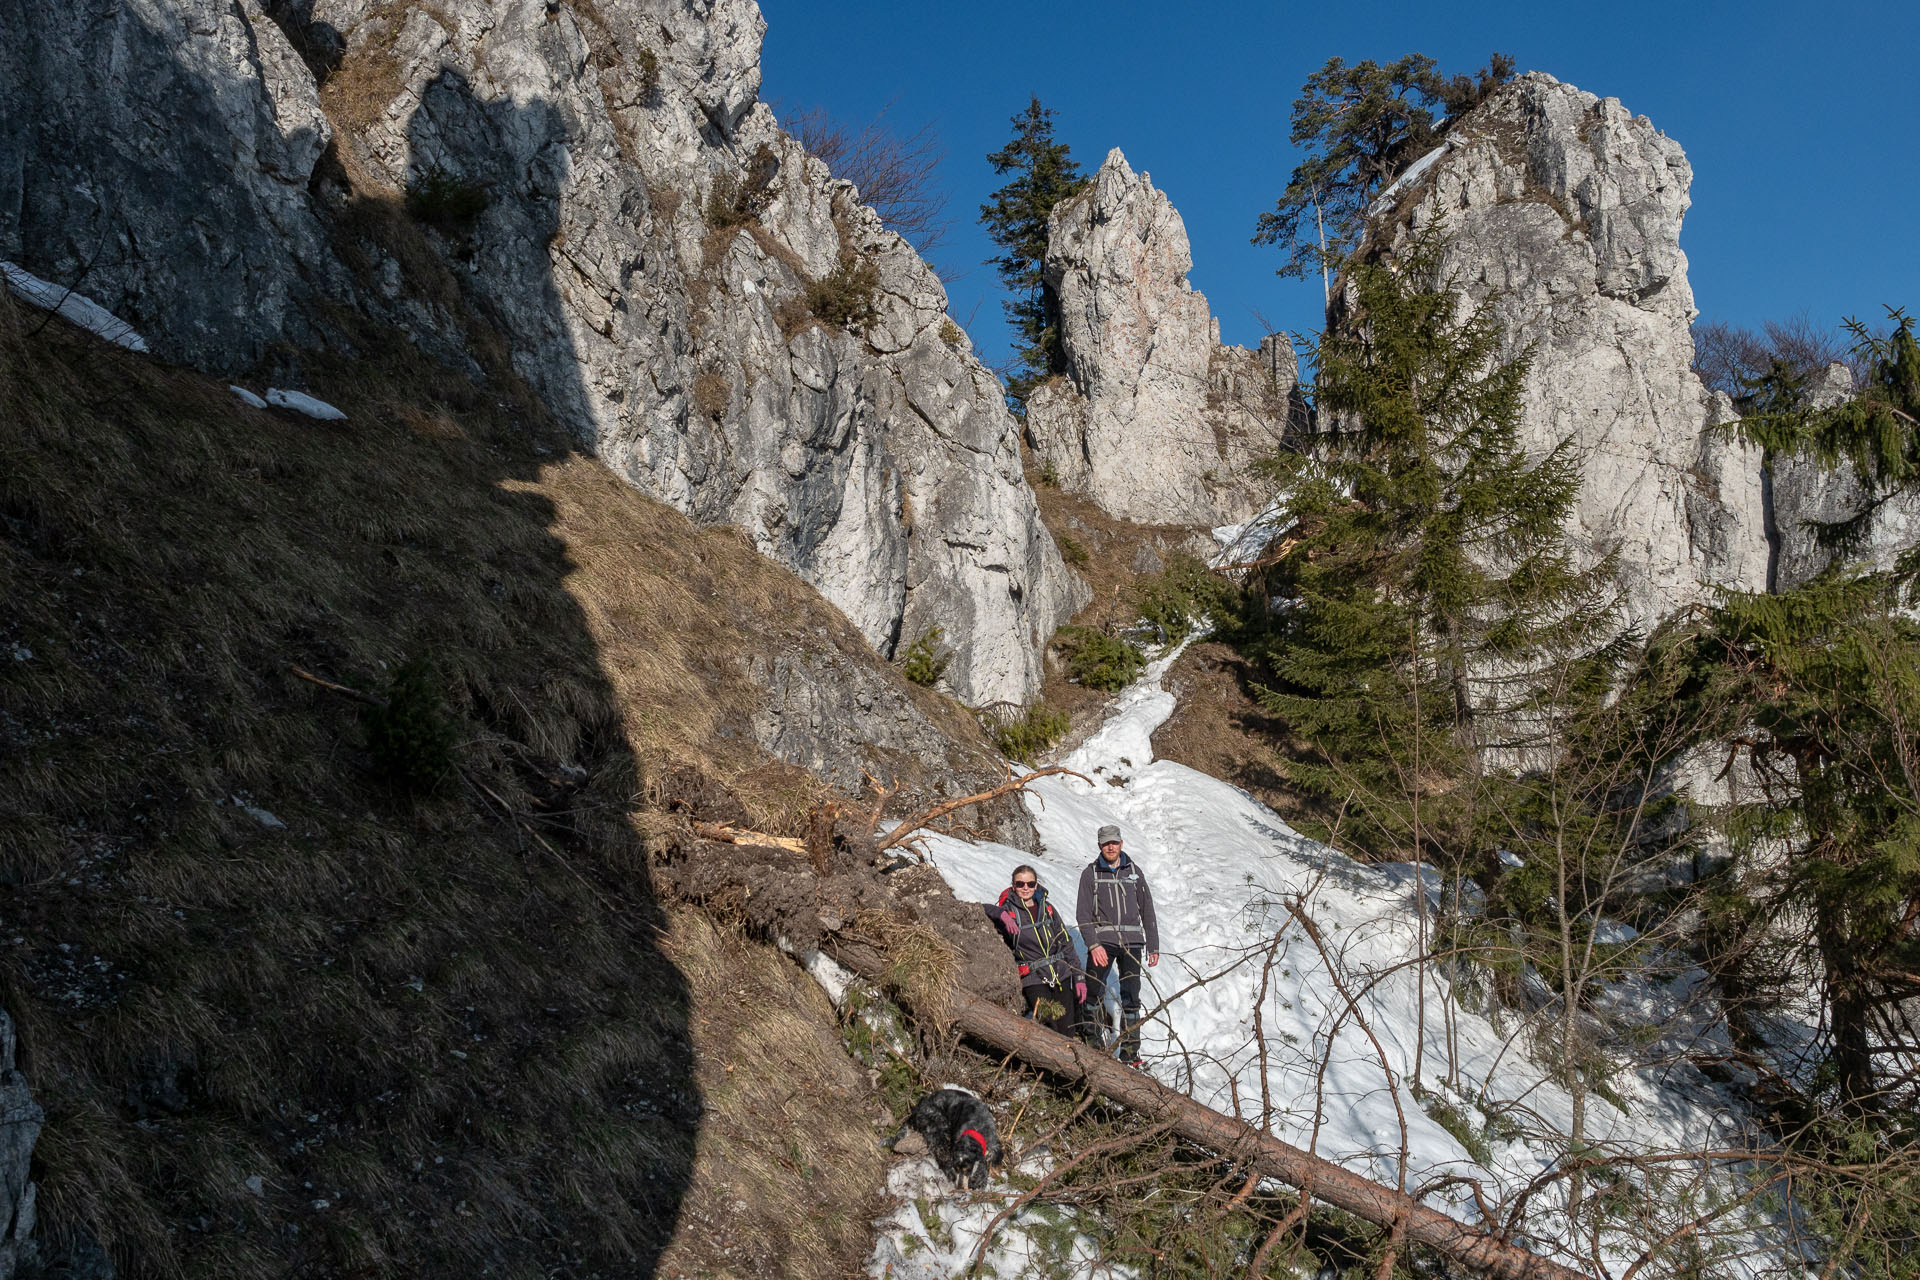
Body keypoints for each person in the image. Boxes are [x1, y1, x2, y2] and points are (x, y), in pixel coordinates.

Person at [1075, 824, 1159, 1064]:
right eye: (1105, 843)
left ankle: (1130, 1053)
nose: (1110, 847)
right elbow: (1083, 915)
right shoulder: (1090, 874)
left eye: (1114, 842)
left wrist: (1153, 946)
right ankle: (1093, 1044)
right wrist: (1093, 945)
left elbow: (1148, 910)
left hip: (1133, 943)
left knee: (1131, 996)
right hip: (1103, 942)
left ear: (1121, 843)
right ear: (1100, 846)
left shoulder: (1134, 871)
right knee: (1093, 991)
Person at [988, 865, 1084, 1036]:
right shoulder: (1009, 912)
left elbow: (1065, 942)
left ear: (1036, 885)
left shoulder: (1048, 909)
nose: (1026, 888)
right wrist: (999, 913)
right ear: (1013, 885)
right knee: (1051, 1028)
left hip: (1061, 974)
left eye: (1030, 884)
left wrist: (1079, 977)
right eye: (1020, 884)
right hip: (1033, 979)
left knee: (1068, 1030)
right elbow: (977, 908)